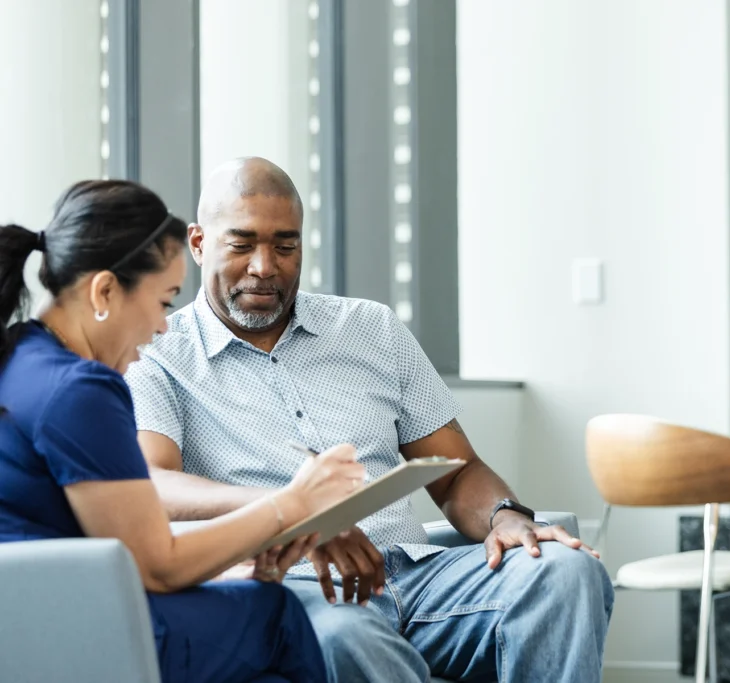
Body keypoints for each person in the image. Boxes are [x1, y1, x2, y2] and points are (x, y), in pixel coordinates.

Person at [125, 157, 615, 683]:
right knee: (342, 638)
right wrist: (296, 516)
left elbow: (457, 470)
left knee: (565, 572)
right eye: (242, 244)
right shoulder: (157, 353)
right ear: (199, 244)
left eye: (285, 246)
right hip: (300, 587)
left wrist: (506, 516)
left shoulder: (370, 328)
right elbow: (156, 484)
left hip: (419, 574)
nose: (265, 266)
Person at [0, 179, 366, 683]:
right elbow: (158, 566)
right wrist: (295, 503)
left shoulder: (18, 355)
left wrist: (222, 566)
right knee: (276, 615)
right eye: (164, 302)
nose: (164, 328)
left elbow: (112, 538)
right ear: (104, 290)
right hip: (76, 625)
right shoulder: (80, 389)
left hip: (36, 617)